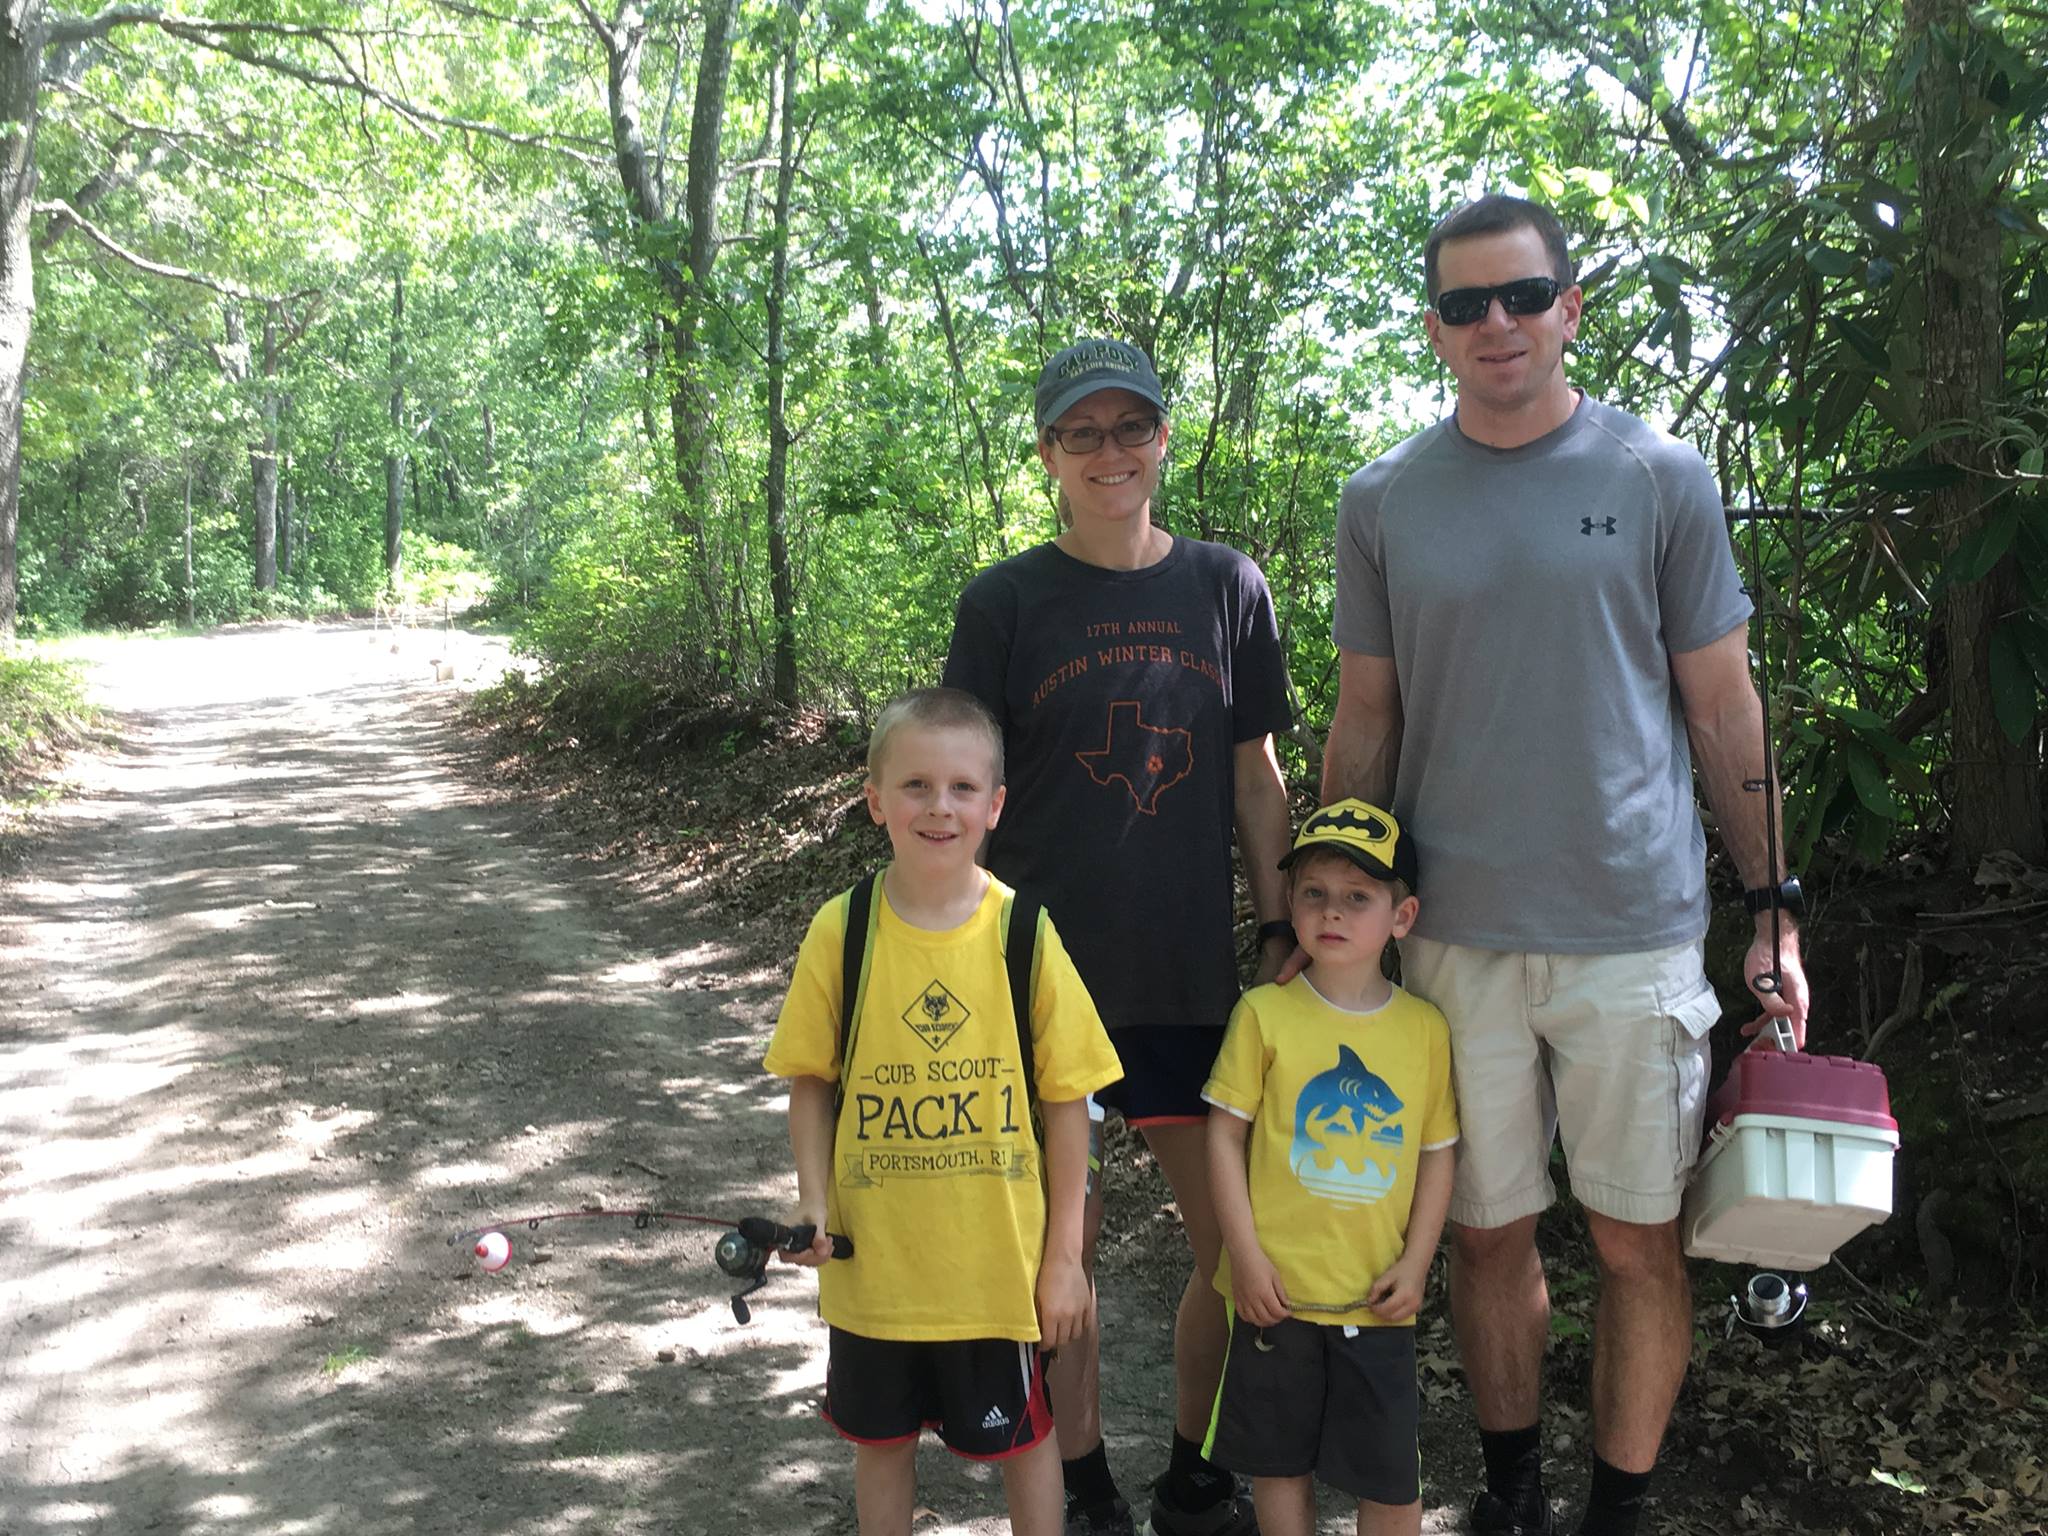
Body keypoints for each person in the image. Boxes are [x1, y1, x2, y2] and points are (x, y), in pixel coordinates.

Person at [1320, 193, 1814, 1536]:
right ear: (1433, 327)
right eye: (1467, 304)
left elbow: (1723, 706)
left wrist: (1771, 909)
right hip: (1451, 937)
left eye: (1524, 296)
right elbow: (1367, 720)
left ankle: (1621, 1508)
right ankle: (1513, 1491)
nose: (1499, 325)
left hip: (1633, 935)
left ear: (1570, 306)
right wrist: (1323, 922)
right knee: (1482, 1234)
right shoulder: (1385, 500)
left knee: (1637, 1240)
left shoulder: (1659, 476)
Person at [944, 339, 1295, 1536]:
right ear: (1046, 453)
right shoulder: (1002, 603)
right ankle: (1083, 1483)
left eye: (1127, 427)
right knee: (1062, 1262)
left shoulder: (1223, 585)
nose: (1107, 452)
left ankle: (1198, 1469)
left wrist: (1281, 922)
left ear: (1162, 439)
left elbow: (1255, 776)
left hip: (1189, 980)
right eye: (1079, 432)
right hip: (1040, 983)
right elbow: (966, 791)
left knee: (1233, 1252)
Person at [765, 687, 1124, 1536]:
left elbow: (1071, 1101)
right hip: (875, 1271)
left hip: (996, 1271)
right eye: (916, 785)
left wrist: (1063, 1260)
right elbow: (810, 1079)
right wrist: (813, 1202)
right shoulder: (841, 931)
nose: (940, 806)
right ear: (875, 800)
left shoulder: (1023, 932)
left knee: (1025, 1444)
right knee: (880, 1443)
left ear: (996, 805)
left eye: (964, 788)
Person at [1202, 800, 1457, 1536]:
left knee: (1390, 1480)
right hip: (1274, 1298)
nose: (1332, 913)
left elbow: (1438, 1155)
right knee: (1280, 1470)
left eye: (1358, 898)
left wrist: (1418, 1263)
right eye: (1314, 893)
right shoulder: (1264, 1014)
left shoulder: (1424, 1030)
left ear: (1401, 916)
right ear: (1290, 903)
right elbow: (1224, 1139)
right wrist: (1244, 1259)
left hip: (1375, 1303)